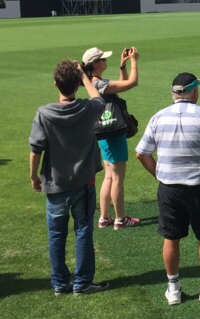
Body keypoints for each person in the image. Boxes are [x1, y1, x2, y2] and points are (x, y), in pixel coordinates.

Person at [135, 73, 200, 305]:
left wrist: (159, 173)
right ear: (194, 92)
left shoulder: (158, 117)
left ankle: (174, 290)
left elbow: (141, 153)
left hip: (169, 189)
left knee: (171, 238)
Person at [28, 59, 109, 296]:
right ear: (77, 85)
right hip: (83, 183)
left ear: (55, 84)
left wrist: (33, 176)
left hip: (55, 184)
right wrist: (84, 75)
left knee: (56, 235)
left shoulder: (45, 113)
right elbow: (100, 99)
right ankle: (82, 282)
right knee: (83, 230)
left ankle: (60, 283)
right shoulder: (86, 108)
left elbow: (36, 149)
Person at [83, 47, 140, 230]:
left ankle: (104, 217)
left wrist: (122, 66)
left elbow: (120, 86)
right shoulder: (100, 84)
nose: (105, 61)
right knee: (117, 177)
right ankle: (120, 219)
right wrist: (134, 61)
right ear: (95, 63)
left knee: (109, 176)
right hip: (114, 132)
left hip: (103, 131)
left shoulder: (95, 82)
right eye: (103, 59)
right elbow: (132, 83)